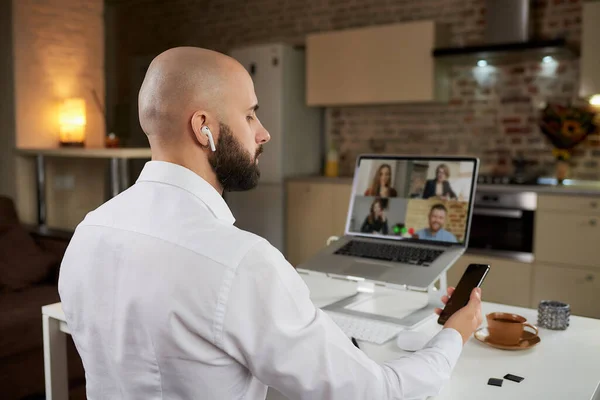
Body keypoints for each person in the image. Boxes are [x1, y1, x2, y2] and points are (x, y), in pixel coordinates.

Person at [58, 47, 482, 400]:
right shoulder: (240, 262)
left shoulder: (88, 233)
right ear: (203, 128)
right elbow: (377, 392)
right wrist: (453, 336)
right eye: (249, 116)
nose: (264, 134)